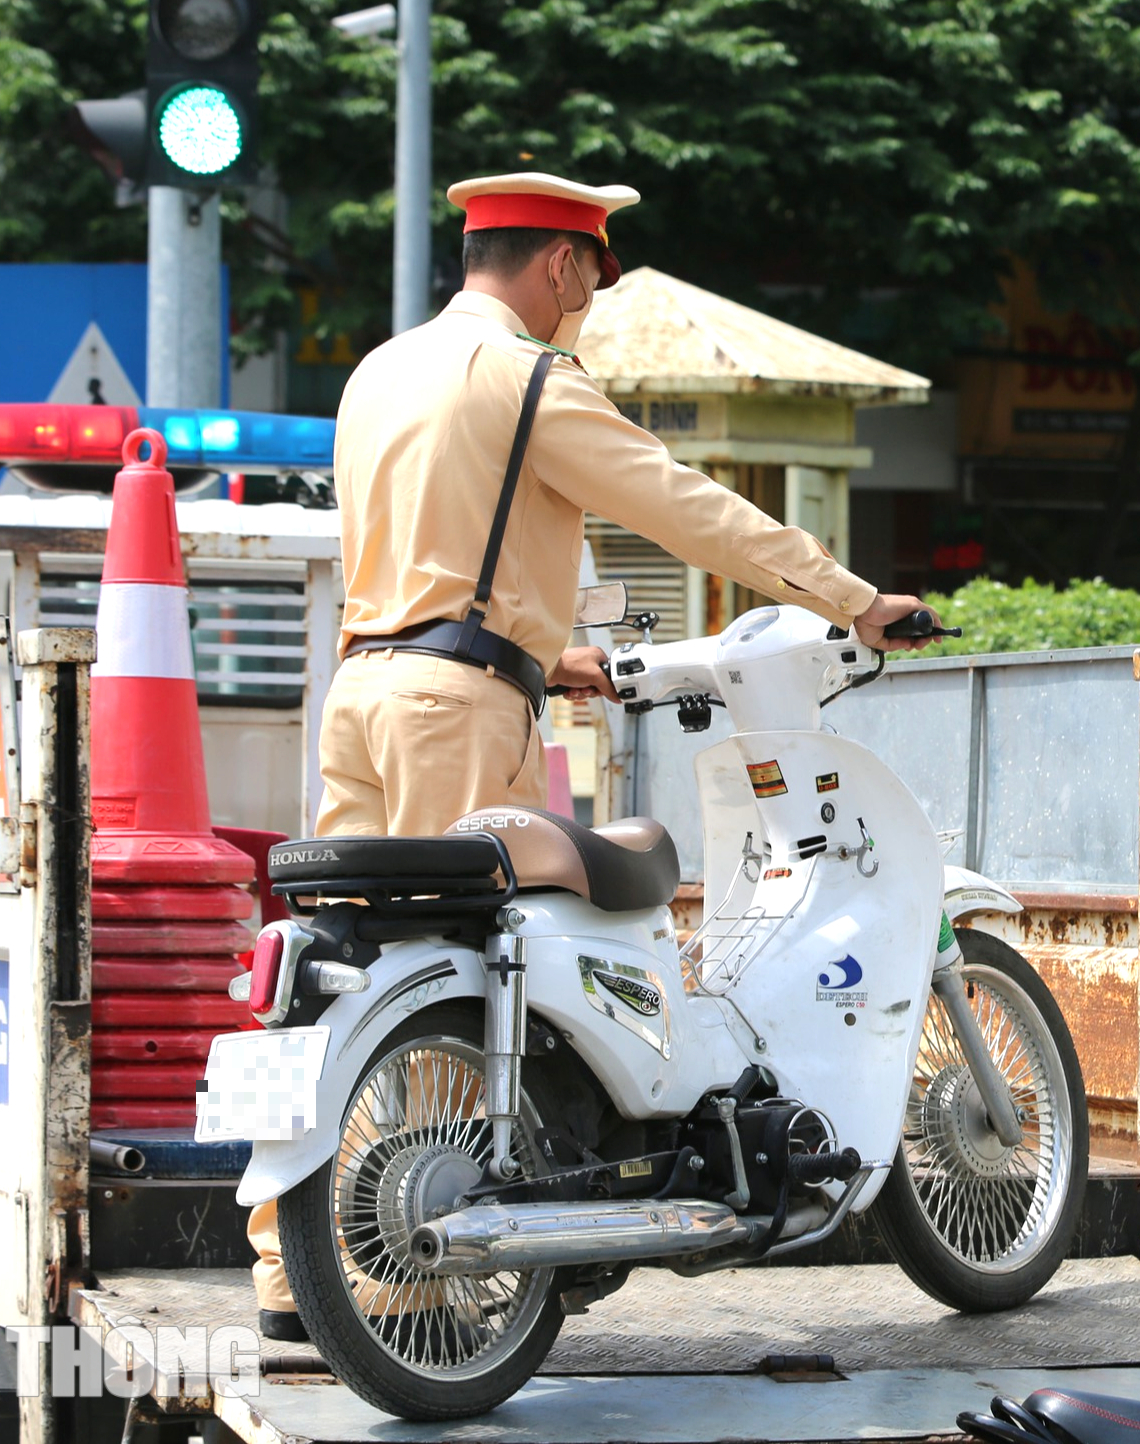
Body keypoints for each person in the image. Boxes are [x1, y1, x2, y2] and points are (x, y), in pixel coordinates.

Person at [251, 172, 940, 1339]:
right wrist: (852, 598)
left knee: (344, 973)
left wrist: (546, 653)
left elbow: (431, 550)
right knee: (471, 972)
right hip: (456, 709)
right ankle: (414, 1267)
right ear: (563, 264)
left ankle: (286, 1268)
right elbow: (684, 506)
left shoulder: (380, 371)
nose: (587, 304)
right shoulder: (526, 375)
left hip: (362, 691)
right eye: (592, 278)